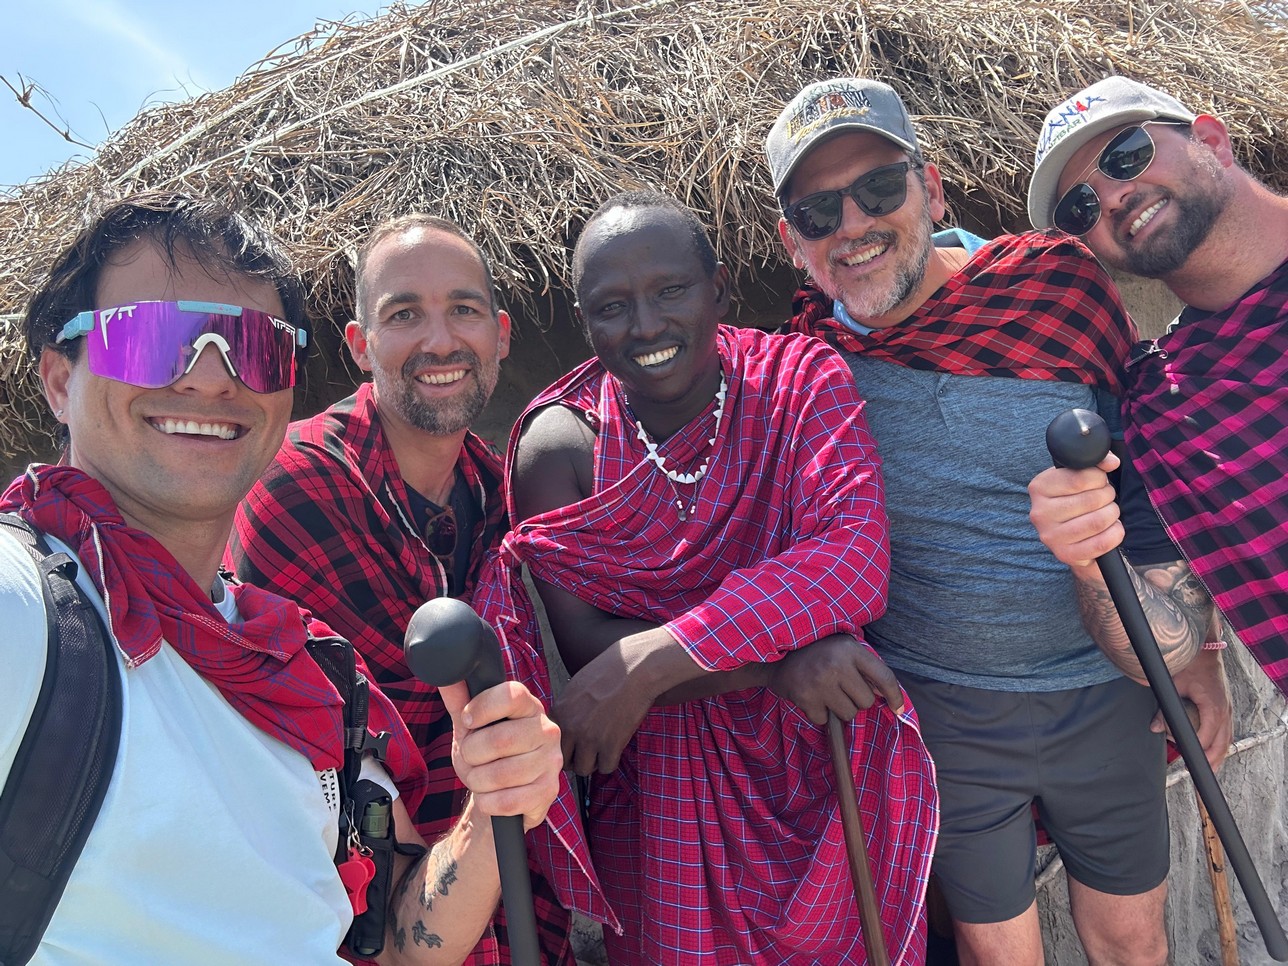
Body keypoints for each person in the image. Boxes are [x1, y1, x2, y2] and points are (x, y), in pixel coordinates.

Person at [0, 191, 566, 965]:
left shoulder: (310, 671)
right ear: (60, 380)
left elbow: (401, 946)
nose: (209, 378)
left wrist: (492, 804)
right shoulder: (31, 616)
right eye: (151, 337)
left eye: (252, 347)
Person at [766, 77, 1231, 966]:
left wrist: (1195, 650)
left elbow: (1149, 477)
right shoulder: (807, 366)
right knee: (994, 951)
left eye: (879, 188)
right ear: (794, 242)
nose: (853, 225)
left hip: (1105, 688)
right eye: (819, 212)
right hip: (943, 711)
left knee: (1134, 939)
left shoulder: (1053, 289)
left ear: (932, 190)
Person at [471, 188, 938, 964]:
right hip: (664, 792)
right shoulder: (562, 447)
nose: (646, 325)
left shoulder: (799, 381)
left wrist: (651, 659)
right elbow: (591, 658)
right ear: (585, 323)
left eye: (671, 291)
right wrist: (782, 662)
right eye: (613, 307)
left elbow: (853, 563)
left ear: (718, 290)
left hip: (822, 763)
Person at [227, 214, 602, 963]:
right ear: (359, 344)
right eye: (404, 314)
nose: (440, 341)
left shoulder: (498, 497)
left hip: (505, 882)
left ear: (499, 335)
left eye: (463, 309)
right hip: (367, 910)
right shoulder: (300, 489)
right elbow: (329, 759)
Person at [1026, 76, 1288, 700]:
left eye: (1126, 155)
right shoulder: (1165, 402)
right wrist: (1090, 557)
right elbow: (1167, 650)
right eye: (1081, 208)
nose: (1113, 197)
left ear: (1212, 140)